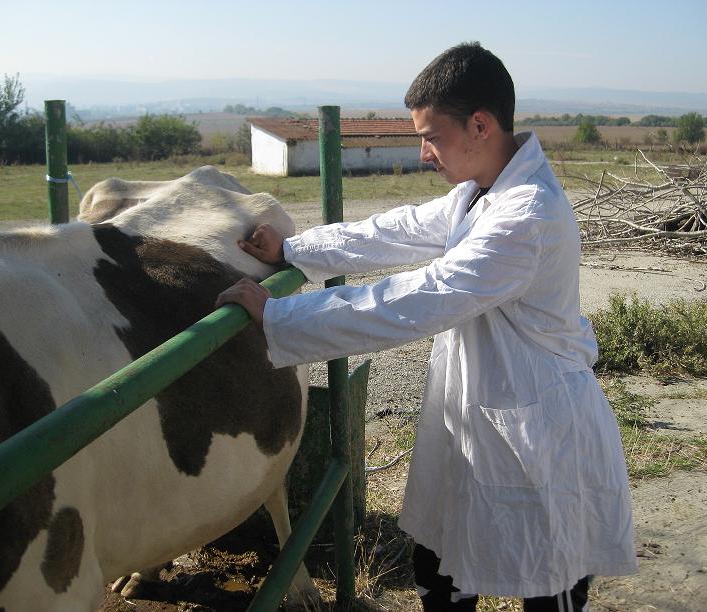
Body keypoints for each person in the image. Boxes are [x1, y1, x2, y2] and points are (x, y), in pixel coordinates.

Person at [215, 42, 637, 611]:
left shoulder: (526, 216)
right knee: (439, 568)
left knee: (546, 577)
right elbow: (397, 229)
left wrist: (282, 315)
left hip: (537, 429)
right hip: (478, 416)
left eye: (431, 136)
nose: (423, 154)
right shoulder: (479, 194)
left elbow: (422, 296)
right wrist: (294, 246)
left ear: (480, 126)